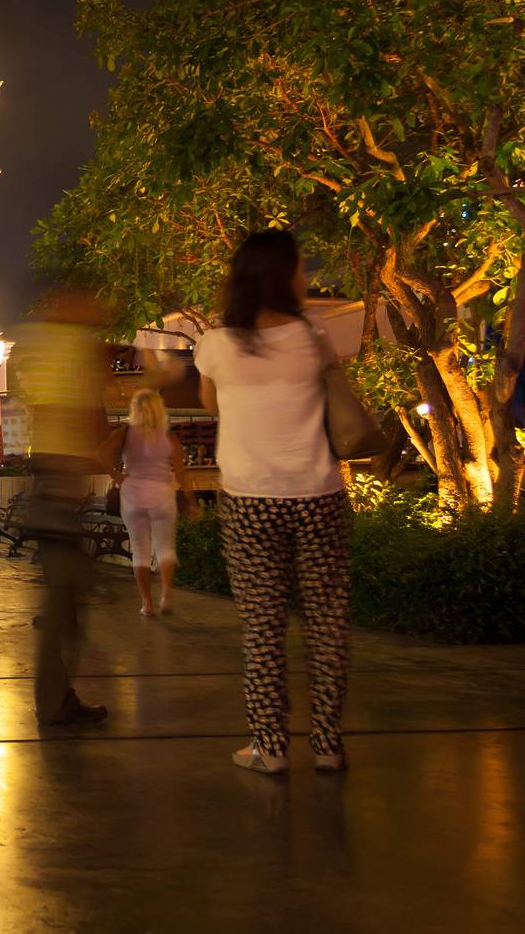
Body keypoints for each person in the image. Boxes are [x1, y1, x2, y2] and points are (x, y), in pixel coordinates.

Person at [195, 229, 350, 775]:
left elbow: (210, 402)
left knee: (262, 628)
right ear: (285, 277)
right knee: (326, 624)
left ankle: (270, 747)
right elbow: (336, 391)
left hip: (249, 498)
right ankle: (328, 746)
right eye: (300, 268)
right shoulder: (314, 336)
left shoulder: (215, 344)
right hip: (319, 494)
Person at [9, 288, 112, 726]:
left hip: (52, 489)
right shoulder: (69, 347)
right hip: (58, 492)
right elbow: (79, 416)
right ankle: (53, 701)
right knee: (65, 598)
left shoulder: (37, 344)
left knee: (65, 598)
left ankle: (57, 696)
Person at [101, 389, 192, 618]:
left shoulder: (125, 432)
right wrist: (190, 499)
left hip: (133, 495)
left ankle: (147, 604)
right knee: (166, 548)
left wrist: (117, 476)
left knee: (140, 551)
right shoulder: (167, 436)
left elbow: (100, 452)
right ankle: (166, 595)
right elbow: (180, 471)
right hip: (162, 494)